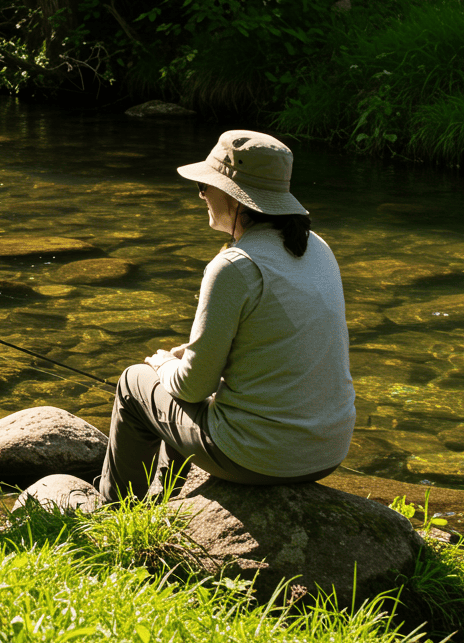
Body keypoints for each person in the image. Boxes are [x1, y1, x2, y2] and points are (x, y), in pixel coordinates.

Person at [97, 130, 355, 503]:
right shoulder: (319, 248)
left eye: (206, 186)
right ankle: (166, 501)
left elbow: (191, 389)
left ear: (237, 199)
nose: (201, 194)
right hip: (327, 451)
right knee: (191, 389)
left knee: (134, 382)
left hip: (260, 459)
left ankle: (111, 510)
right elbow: (277, 343)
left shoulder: (233, 266)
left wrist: (165, 364)